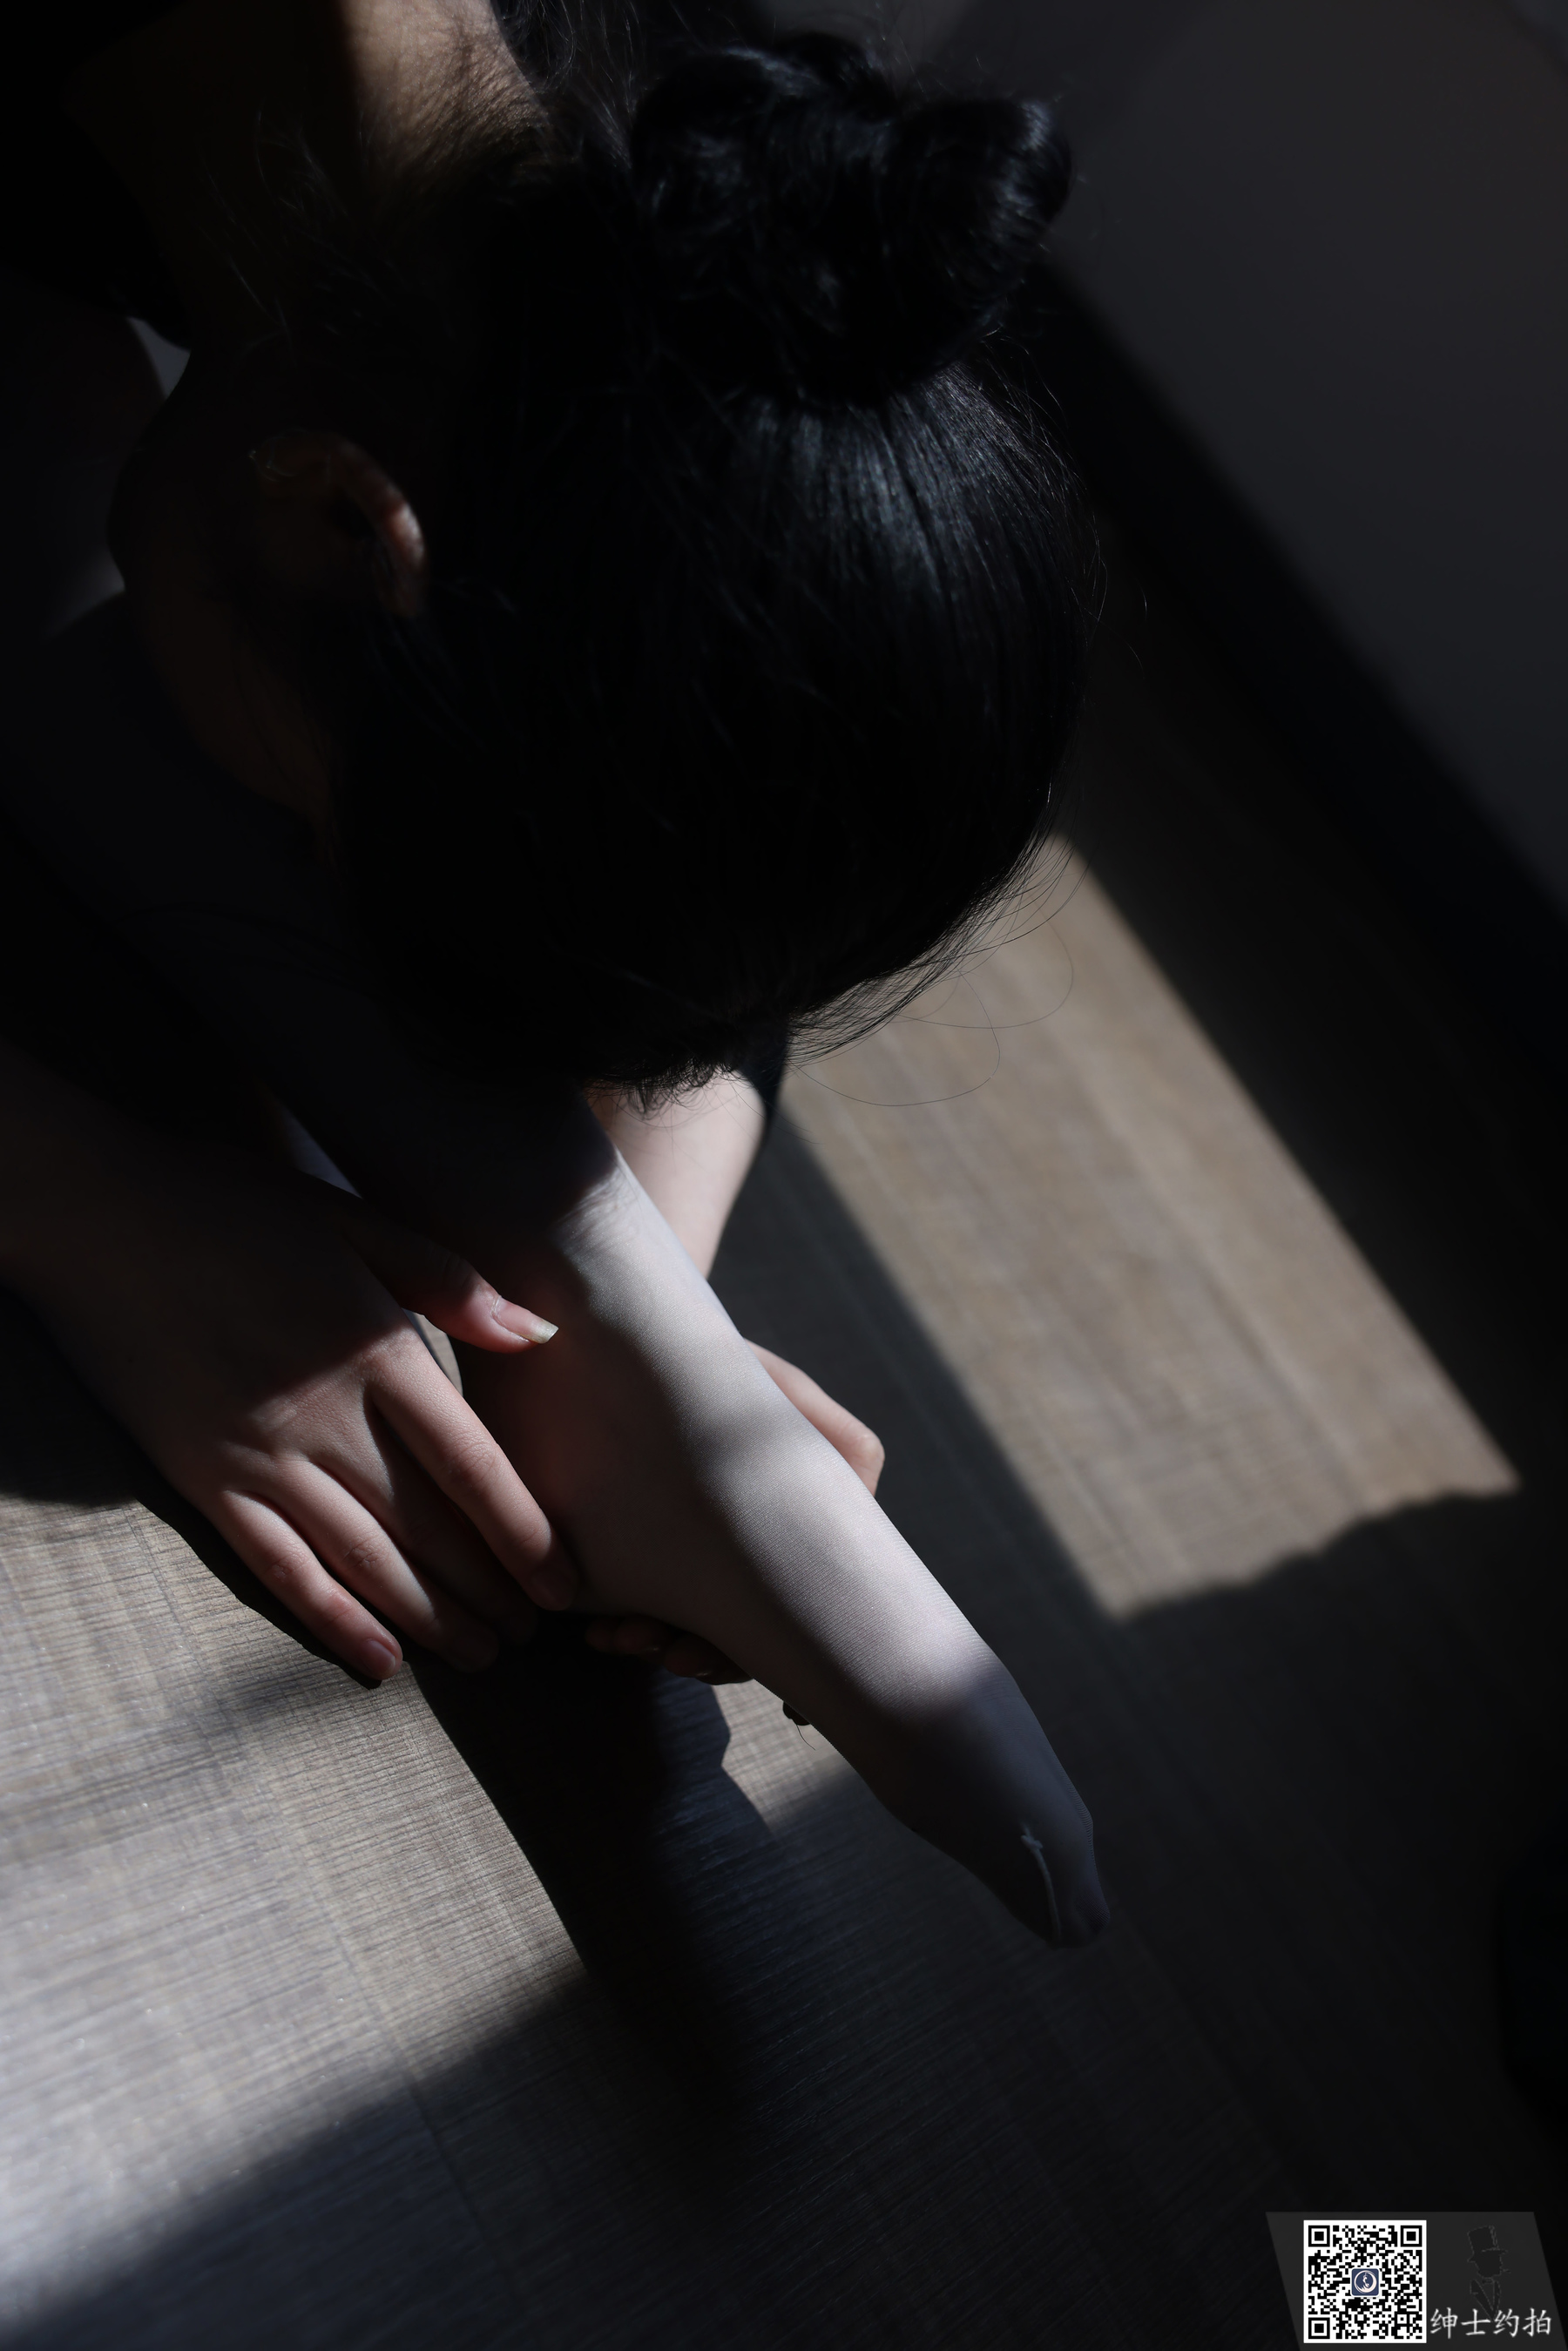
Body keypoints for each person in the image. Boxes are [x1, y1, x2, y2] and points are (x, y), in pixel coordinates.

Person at [0, 0, 1107, 1943]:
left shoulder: (638, 233)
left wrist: (626, 1299)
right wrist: (95, 1213)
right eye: (311, 858)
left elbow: (689, 787)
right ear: (339, 517)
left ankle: (647, 1346)